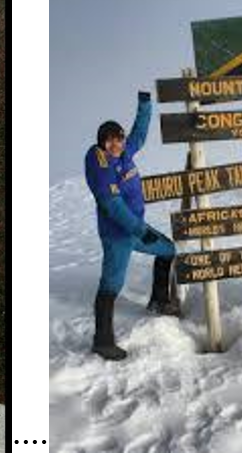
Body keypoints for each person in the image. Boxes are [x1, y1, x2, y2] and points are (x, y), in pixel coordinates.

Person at [83, 91, 180, 362]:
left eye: (119, 138)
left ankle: (159, 300)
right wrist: (141, 231)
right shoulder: (99, 163)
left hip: (137, 229)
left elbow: (139, 132)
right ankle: (102, 341)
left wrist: (145, 105)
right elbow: (112, 206)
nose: (116, 144)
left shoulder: (126, 152)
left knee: (167, 250)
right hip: (118, 235)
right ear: (102, 143)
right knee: (111, 284)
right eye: (110, 140)